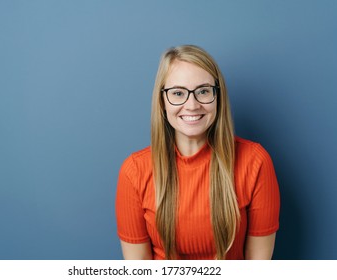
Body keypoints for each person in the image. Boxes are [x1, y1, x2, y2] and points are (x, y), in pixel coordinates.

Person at [115, 45, 280, 260]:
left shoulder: (255, 162)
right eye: (178, 93)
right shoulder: (134, 172)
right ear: (162, 102)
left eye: (203, 91)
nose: (192, 105)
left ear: (217, 97)